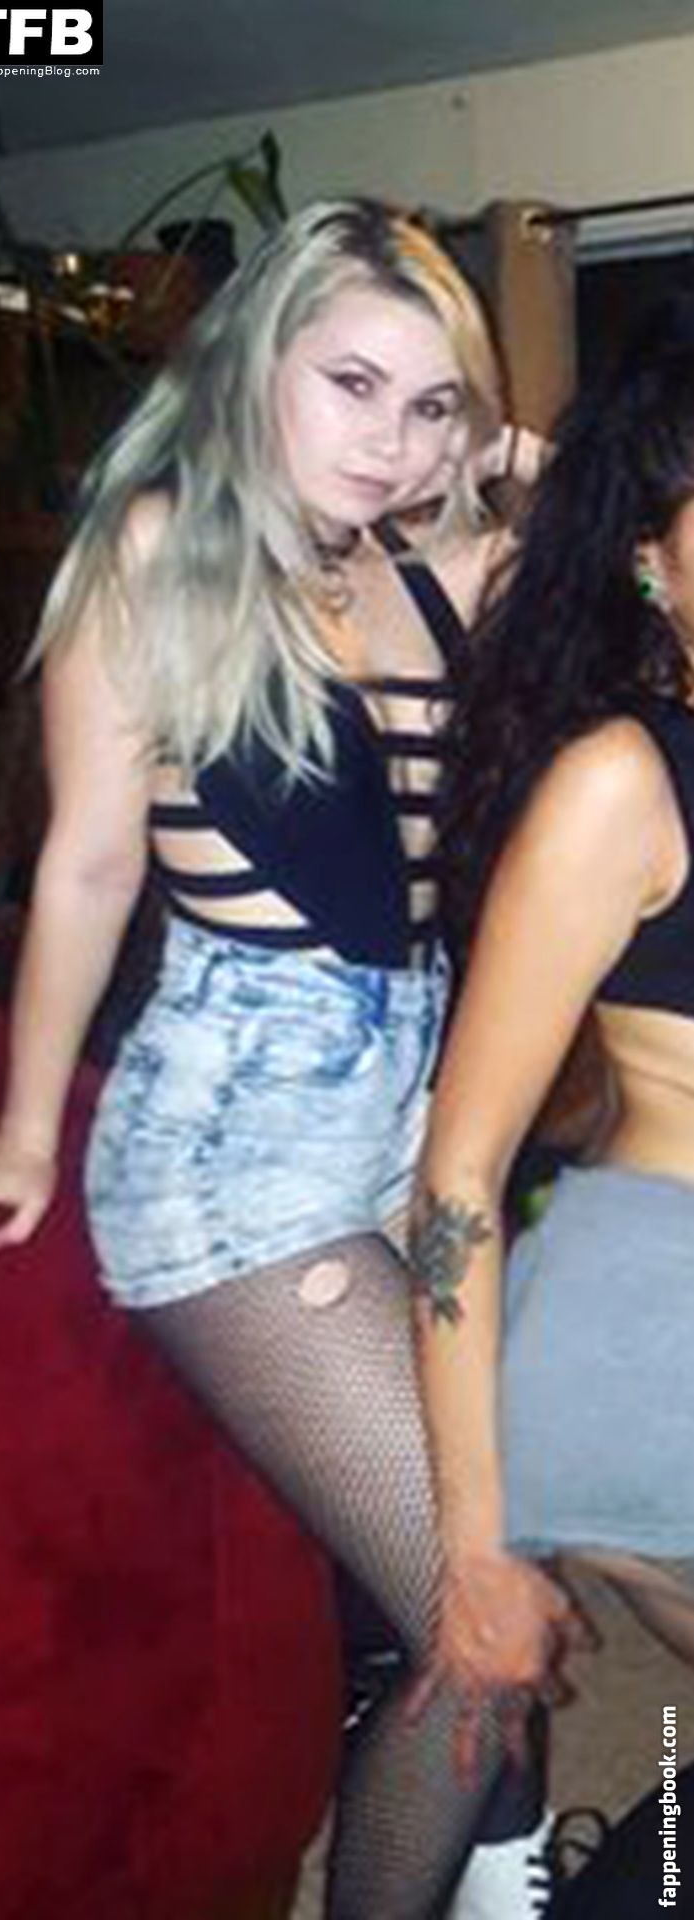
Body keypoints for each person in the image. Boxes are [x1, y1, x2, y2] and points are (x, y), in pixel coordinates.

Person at [0, 198, 555, 1919]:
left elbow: (613, 535)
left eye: (429, 407)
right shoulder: (158, 552)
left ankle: (494, 1857)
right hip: (233, 1153)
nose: (390, 442)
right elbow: (89, 864)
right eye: (350, 384)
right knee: (482, 1623)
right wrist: (25, 1129)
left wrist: (509, 454)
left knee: (499, 1556)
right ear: (252, 363)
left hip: (415, 1128)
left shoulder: (428, 570)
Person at [410, 296, 694, 1790]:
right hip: (660, 1324)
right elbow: (460, 1167)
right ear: (652, 559)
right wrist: (477, 1548)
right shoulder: (621, 783)